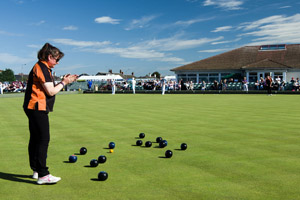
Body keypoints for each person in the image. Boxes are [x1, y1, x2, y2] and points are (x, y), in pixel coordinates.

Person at [23, 43, 78, 185]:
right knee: (42, 139)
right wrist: (65, 82)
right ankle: (43, 174)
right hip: (37, 107)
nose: (57, 63)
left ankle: (36, 170)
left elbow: (49, 88)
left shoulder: (42, 67)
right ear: (49, 57)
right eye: (57, 60)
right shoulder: (41, 67)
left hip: (33, 107)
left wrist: (63, 81)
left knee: (35, 139)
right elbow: (51, 91)